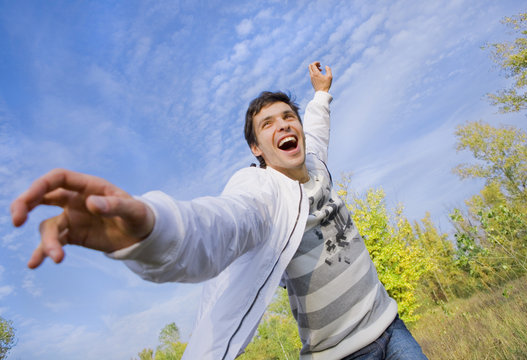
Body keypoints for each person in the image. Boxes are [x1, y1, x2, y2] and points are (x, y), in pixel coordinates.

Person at [11, 62, 427, 359]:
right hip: (337, 354)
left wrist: (321, 93)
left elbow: (317, 127)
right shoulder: (262, 191)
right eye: (268, 124)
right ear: (256, 149)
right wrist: (151, 231)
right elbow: (220, 224)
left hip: (390, 326)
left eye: (288, 117)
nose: (283, 125)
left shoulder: (314, 161)